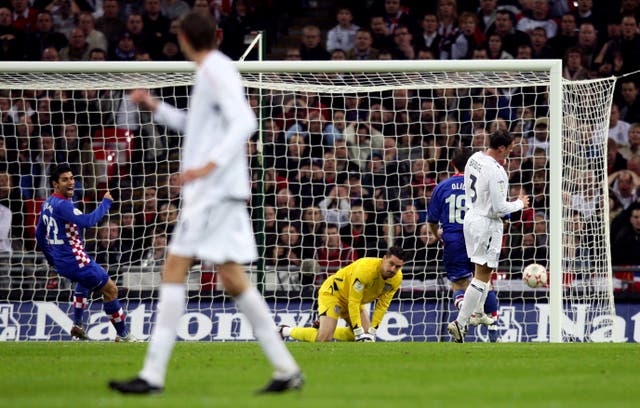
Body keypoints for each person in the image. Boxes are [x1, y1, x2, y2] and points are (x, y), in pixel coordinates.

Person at [108, 11, 302, 395]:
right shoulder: (212, 70)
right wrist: (154, 107)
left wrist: (207, 167)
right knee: (232, 278)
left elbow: (245, 122)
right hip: (219, 193)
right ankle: (286, 369)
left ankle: (152, 375)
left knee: (174, 267)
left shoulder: (216, 70)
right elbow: (193, 125)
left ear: (183, 39)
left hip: (213, 191)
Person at [35, 163, 136, 342]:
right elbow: (88, 221)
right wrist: (105, 203)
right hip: (77, 260)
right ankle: (123, 335)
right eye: (65, 179)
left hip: (63, 262)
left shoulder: (47, 204)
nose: (71, 182)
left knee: (84, 283)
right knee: (111, 290)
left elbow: (39, 234)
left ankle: (78, 324)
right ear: (55, 184)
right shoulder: (62, 205)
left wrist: (53, 260)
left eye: (72, 178)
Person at [447, 130, 530, 343]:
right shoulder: (497, 171)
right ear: (501, 148)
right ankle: (461, 322)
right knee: (482, 275)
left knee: (481, 273)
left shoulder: (474, 158)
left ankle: (478, 313)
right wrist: (521, 203)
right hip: (486, 224)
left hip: (472, 217)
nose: (511, 152)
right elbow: (500, 208)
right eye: (510, 148)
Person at [427, 148, 499, 342]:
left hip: (454, 240)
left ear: (453, 164)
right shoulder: (483, 185)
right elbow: (501, 213)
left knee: (459, 283)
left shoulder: (442, 187)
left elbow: (432, 221)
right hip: (479, 236)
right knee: (485, 281)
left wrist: (438, 235)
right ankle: (493, 331)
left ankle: (464, 315)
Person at [279, 246, 405, 342]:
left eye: (397, 267)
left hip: (353, 299)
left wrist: (372, 331)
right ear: (384, 259)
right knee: (324, 339)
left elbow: (382, 305)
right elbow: (354, 301)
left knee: (365, 333)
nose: (393, 269)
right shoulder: (366, 269)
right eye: (391, 264)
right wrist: (359, 332)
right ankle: (285, 331)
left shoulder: (396, 278)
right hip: (334, 293)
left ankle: (326, 328)